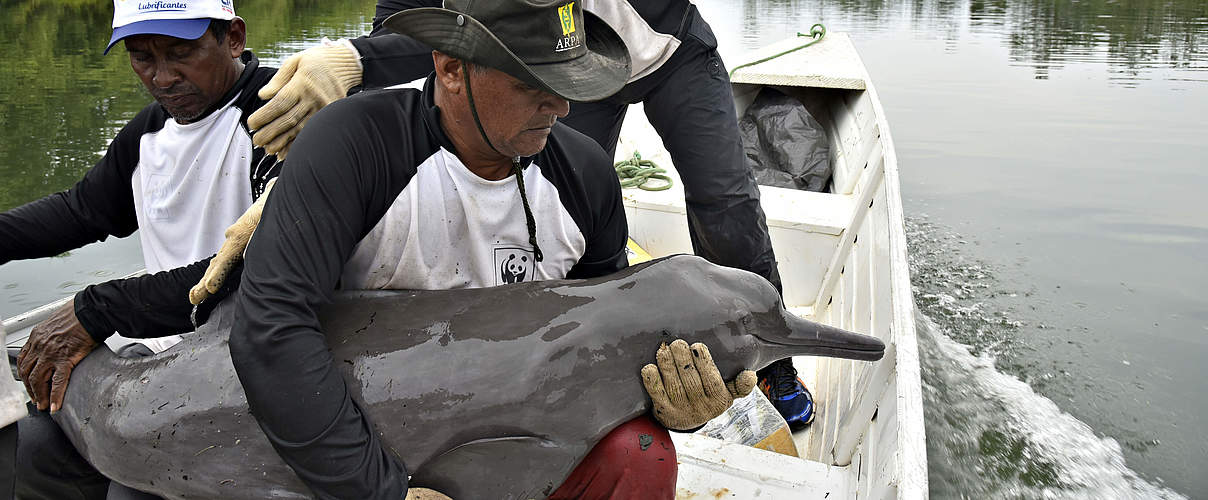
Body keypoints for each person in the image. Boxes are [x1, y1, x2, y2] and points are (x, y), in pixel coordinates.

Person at [224, 2, 752, 498]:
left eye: (567, 80)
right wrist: (378, 491)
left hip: (514, 435)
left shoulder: (586, 176)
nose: (563, 106)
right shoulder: (355, 145)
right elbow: (270, 325)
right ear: (452, 69)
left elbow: (609, 338)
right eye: (534, 84)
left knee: (641, 453)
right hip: (368, 435)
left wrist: (673, 403)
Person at [0, 1, 276, 497]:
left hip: (255, 364)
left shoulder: (282, 115)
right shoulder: (151, 131)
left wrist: (96, 309)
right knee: (33, 444)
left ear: (233, 37)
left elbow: (260, 266)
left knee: (132, 485)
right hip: (167, 356)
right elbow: (83, 211)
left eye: (181, 52)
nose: (163, 77)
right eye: (142, 56)